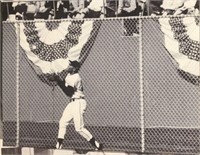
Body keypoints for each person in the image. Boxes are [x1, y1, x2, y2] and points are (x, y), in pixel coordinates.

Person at [54, 60, 103, 151]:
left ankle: (97, 145)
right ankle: (59, 145)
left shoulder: (76, 77)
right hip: (72, 103)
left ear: (75, 68)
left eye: (71, 65)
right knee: (62, 122)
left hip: (79, 102)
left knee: (79, 128)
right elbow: (64, 85)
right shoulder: (69, 75)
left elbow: (68, 92)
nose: (69, 66)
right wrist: (56, 79)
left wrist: (58, 81)